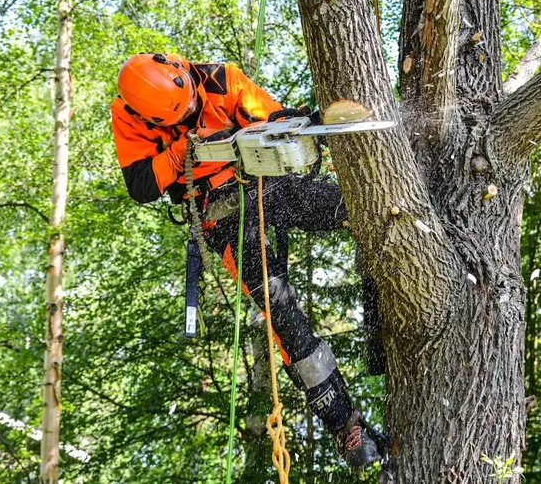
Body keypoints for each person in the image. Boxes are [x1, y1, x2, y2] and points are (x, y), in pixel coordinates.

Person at [110, 52, 383, 470]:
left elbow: (272, 116)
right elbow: (141, 184)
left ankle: (381, 333)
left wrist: (295, 127)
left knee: (367, 212)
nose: (188, 113)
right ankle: (346, 424)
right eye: (177, 116)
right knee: (283, 317)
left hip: (269, 184)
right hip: (221, 217)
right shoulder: (130, 115)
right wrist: (188, 148)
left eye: (188, 106)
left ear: (181, 73)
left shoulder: (220, 79)